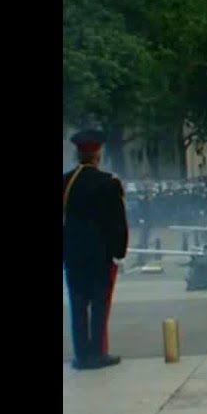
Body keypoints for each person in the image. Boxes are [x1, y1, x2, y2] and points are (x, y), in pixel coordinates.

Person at [63, 130, 129, 370]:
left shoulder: (66, 182)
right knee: (99, 305)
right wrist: (119, 251)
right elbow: (117, 222)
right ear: (98, 154)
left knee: (78, 305)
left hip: (72, 253)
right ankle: (98, 352)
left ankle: (81, 354)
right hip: (99, 254)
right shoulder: (108, 182)